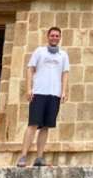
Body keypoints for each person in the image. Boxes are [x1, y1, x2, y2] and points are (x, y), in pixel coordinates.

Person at [16, 26, 69, 167]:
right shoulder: (39, 51)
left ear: (60, 38)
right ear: (48, 36)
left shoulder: (63, 55)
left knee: (45, 126)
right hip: (39, 92)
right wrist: (29, 88)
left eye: (57, 36)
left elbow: (65, 74)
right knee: (33, 124)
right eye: (52, 35)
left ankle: (39, 157)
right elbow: (30, 69)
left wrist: (63, 91)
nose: (54, 38)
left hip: (54, 94)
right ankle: (23, 156)